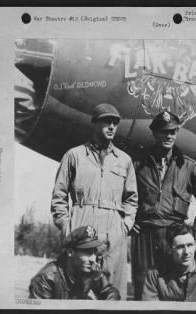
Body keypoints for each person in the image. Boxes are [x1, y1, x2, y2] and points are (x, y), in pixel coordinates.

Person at [50, 103, 138, 300]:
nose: (111, 126)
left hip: (114, 228)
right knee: (77, 288)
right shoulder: (74, 156)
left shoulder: (124, 160)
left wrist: (125, 225)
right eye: (107, 121)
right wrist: (66, 225)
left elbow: (132, 198)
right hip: (82, 221)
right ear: (94, 123)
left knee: (113, 291)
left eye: (115, 123)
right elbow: (59, 195)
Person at [131, 111, 196, 299]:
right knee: (142, 284)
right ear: (154, 133)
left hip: (173, 235)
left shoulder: (189, 166)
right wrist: (129, 221)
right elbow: (122, 196)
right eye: (164, 132)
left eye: (173, 132)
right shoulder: (138, 164)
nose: (169, 136)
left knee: (173, 286)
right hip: (144, 233)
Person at [29, 225, 120, 300]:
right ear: (70, 252)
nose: (93, 258)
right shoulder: (45, 279)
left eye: (94, 252)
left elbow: (111, 293)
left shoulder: (91, 270)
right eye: (87, 252)